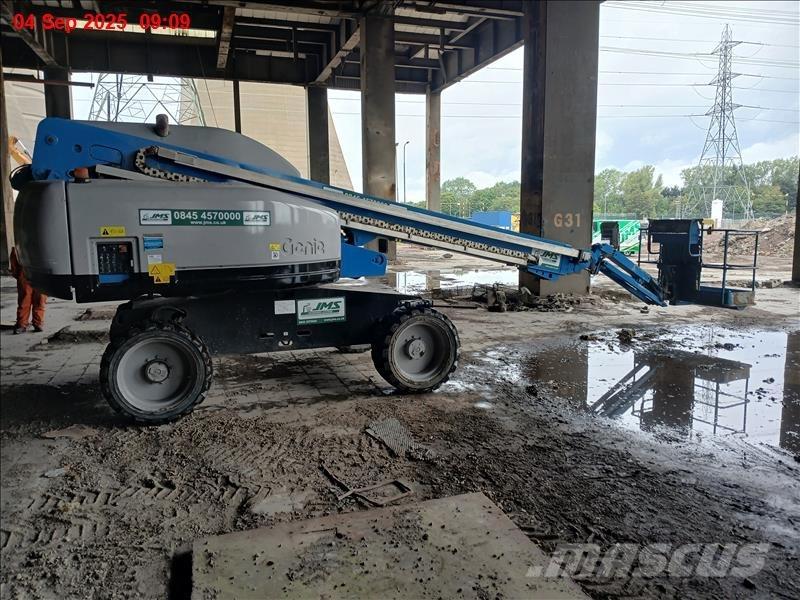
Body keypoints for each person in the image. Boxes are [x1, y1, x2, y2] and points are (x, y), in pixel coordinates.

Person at [9, 247, 47, 334]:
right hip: (26, 272)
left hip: (40, 273)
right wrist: (18, 275)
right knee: (25, 300)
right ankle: (22, 324)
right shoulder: (20, 245)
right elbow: (14, 260)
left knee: (40, 299)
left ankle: (37, 323)